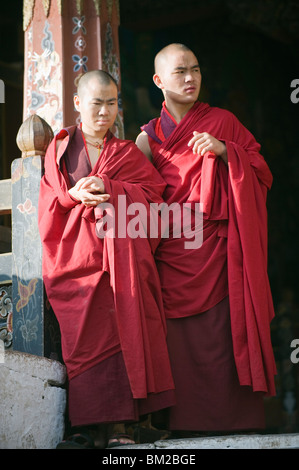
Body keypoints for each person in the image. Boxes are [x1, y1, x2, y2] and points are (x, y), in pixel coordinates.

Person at [136, 43, 277, 435]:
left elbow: (262, 171)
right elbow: (138, 199)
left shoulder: (223, 122)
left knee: (225, 339)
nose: (190, 78)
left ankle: (238, 423)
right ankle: (182, 425)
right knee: (180, 346)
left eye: (196, 69)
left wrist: (225, 151)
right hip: (173, 257)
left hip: (221, 254)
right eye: (180, 71)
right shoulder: (147, 139)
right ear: (158, 81)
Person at [38, 69, 175, 449]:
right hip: (77, 261)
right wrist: (74, 196)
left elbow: (154, 198)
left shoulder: (126, 152)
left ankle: (121, 428)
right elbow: (50, 203)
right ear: (79, 103)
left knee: (125, 332)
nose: (104, 111)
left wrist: (110, 187)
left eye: (111, 103)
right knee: (86, 342)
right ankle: (85, 425)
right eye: (96, 103)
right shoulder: (62, 147)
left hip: (123, 261)